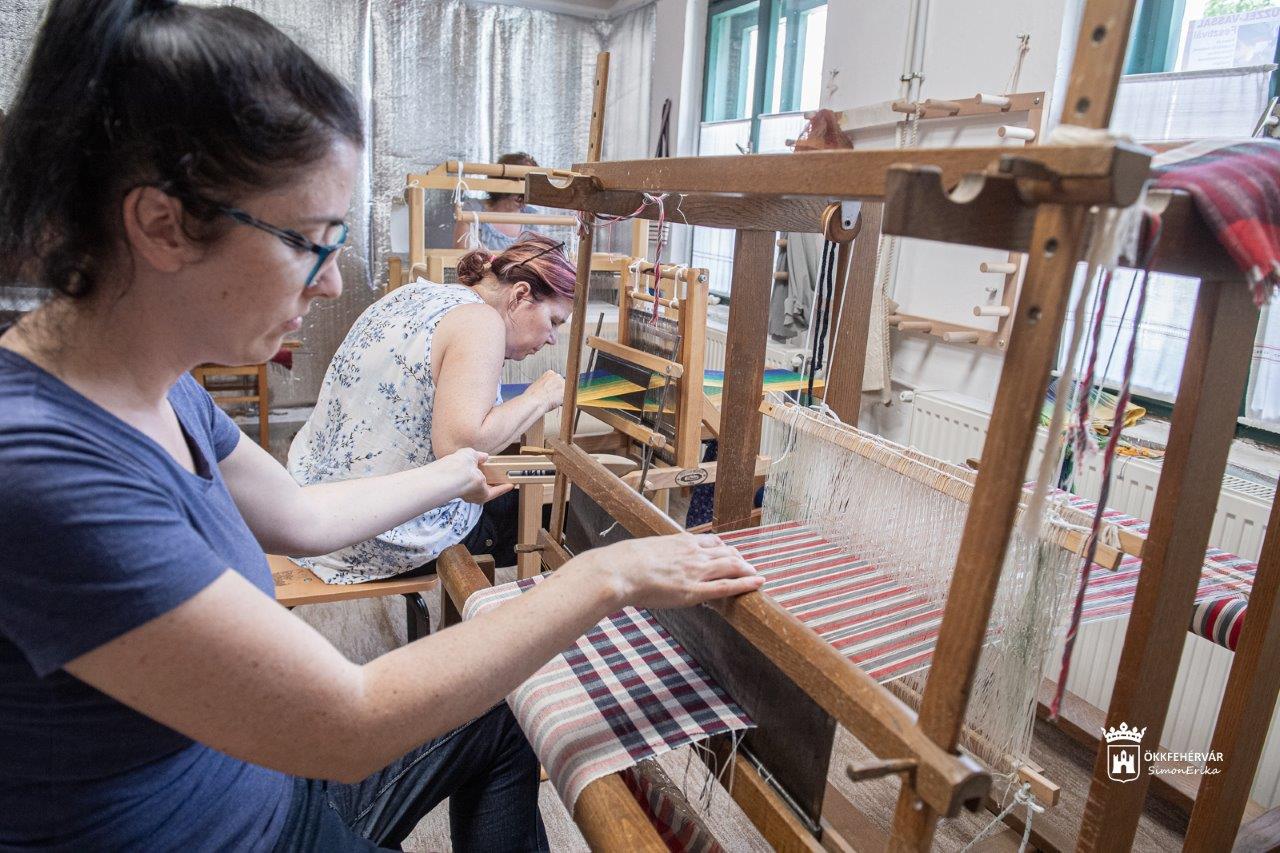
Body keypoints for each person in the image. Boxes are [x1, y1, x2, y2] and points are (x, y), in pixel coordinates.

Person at [0, 3, 764, 853]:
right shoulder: (44, 471)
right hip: (242, 831)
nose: (331, 283)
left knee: (508, 713)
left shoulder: (158, 386)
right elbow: (345, 723)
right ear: (161, 224)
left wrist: (454, 473)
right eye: (312, 241)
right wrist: (604, 577)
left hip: (262, 777)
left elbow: (301, 513)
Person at [288, 235, 572, 581]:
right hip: (381, 536)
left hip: (311, 506)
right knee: (566, 511)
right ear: (520, 295)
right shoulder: (482, 322)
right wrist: (539, 397)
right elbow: (460, 447)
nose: (552, 339)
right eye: (554, 321)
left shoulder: (415, 294)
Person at [452, 151, 544, 251]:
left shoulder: (531, 218)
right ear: (502, 180)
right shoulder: (473, 209)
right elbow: (463, 253)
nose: (523, 197)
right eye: (520, 181)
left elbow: (537, 255)